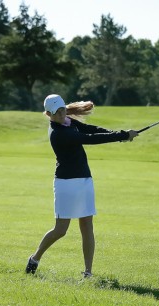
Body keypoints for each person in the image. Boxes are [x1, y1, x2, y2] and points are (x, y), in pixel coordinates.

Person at [25, 94, 138, 278]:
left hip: (84, 180)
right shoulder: (59, 133)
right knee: (60, 230)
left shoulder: (68, 122)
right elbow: (90, 138)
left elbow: (91, 128)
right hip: (66, 184)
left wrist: (120, 134)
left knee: (87, 226)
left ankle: (88, 272)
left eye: (62, 110)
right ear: (48, 114)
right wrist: (123, 135)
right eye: (56, 113)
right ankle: (35, 258)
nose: (61, 115)